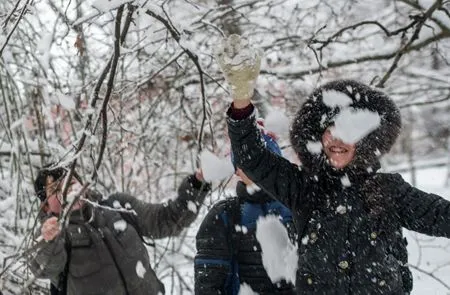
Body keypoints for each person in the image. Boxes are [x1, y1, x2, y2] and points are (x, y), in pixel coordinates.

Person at [217, 35, 450, 294]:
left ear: (364, 141)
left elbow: (441, 217)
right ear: (318, 137)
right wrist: (241, 100)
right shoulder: (303, 187)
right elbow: (252, 159)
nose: (337, 139)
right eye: (330, 130)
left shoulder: (388, 190)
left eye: (347, 132)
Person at [29, 165, 210, 295]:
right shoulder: (50, 238)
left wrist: (196, 184)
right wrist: (48, 239)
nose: (67, 191)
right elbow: (44, 268)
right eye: (56, 189)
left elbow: (166, 220)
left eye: (72, 182)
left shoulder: (117, 207)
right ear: (45, 207)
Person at [194, 131, 296, 295]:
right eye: (247, 162)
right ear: (237, 170)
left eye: (265, 159)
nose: (256, 168)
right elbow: (208, 286)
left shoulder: (298, 208)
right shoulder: (223, 216)